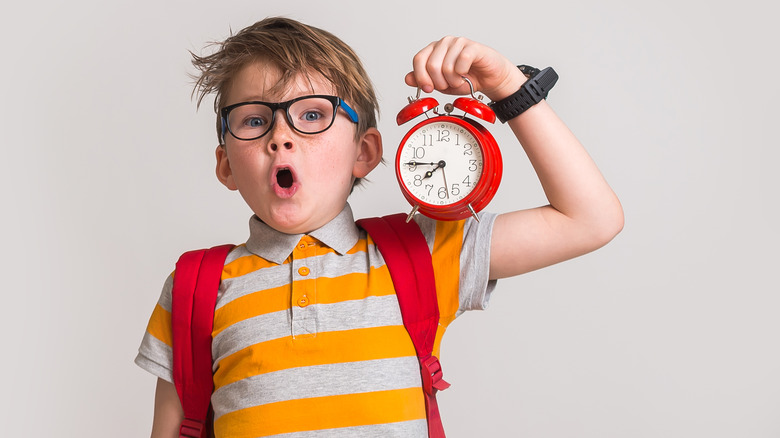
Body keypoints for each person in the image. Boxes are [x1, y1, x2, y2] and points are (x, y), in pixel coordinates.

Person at [135, 16, 623, 438]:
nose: (281, 137)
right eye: (255, 120)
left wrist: (508, 86)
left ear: (365, 152)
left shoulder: (421, 254)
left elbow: (590, 219)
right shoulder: (194, 288)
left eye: (311, 114)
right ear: (225, 164)